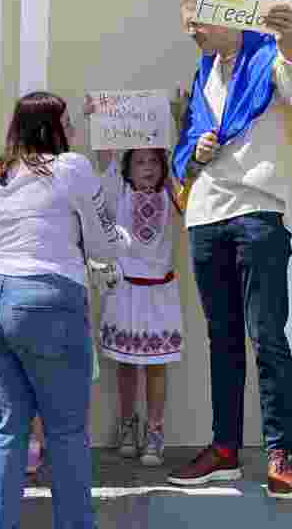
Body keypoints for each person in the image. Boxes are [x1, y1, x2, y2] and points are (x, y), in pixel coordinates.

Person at [0, 91, 132, 529]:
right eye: (67, 123)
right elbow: (104, 242)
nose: (74, 131)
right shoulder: (71, 169)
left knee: (6, 426)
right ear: (50, 128)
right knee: (66, 431)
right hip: (49, 299)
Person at [167, 0, 292, 499]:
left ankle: (279, 451)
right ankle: (225, 449)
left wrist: (290, 37)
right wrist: (197, 148)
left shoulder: (267, 53)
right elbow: (188, 141)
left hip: (257, 211)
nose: (190, 32)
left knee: (267, 335)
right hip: (207, 214)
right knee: (222, 336)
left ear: (222, 17)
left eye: (196, 23)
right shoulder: (203, 71)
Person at [83, 96, 183, 467]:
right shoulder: (117, 191)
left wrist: (179, 119)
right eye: (139, 161)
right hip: (125, 291)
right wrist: (99, 117)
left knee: (157, 364)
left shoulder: (172, 194)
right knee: (126, 363)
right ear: (129, 166)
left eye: (153, 161)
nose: (147, 167)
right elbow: (105, 157)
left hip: (159, 292)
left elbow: (187, 168)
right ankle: (128, 424)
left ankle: (155, 431)